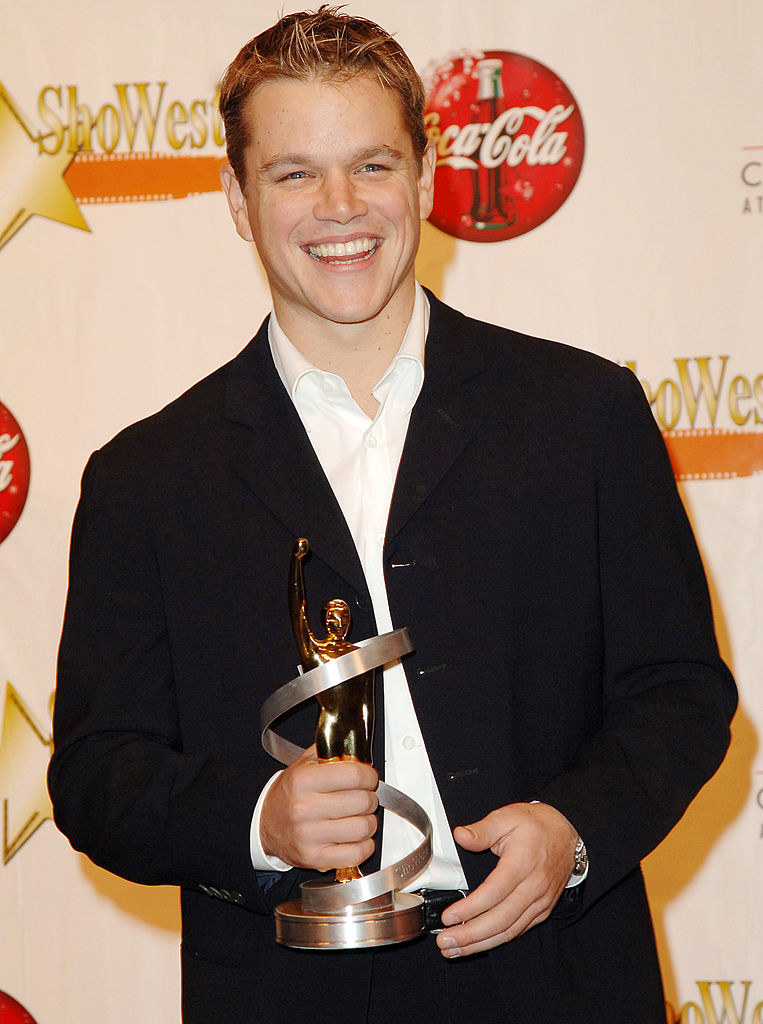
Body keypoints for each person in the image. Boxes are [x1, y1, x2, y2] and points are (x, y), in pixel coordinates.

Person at [48, 7, 737, 1023]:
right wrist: (257, 819)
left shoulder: (582, 414)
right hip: (285, 993)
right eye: (293, 173)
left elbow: (678, 691)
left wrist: (572, 833)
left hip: (560, 979)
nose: (340, 206)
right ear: (236, 198)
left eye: (372, 165)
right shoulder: (147, 475)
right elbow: (99, 775)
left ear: (423, 176)